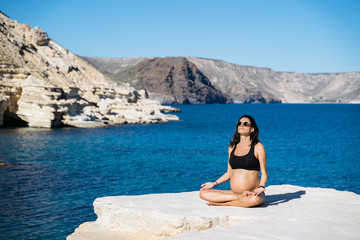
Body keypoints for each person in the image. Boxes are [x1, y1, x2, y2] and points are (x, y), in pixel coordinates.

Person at [200, 115, 267, 207]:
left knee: (254, 199)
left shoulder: (258, 147)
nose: (241, 125)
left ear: (252, 129)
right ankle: (240, 197)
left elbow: (264, 173)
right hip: (235, 193)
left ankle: (223, 204)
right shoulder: (232, 148)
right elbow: (229, 172)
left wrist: (261, 187)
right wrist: (214, 183)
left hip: (253, 193)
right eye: (239, 123)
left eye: (246, 124)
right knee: (203, 193)